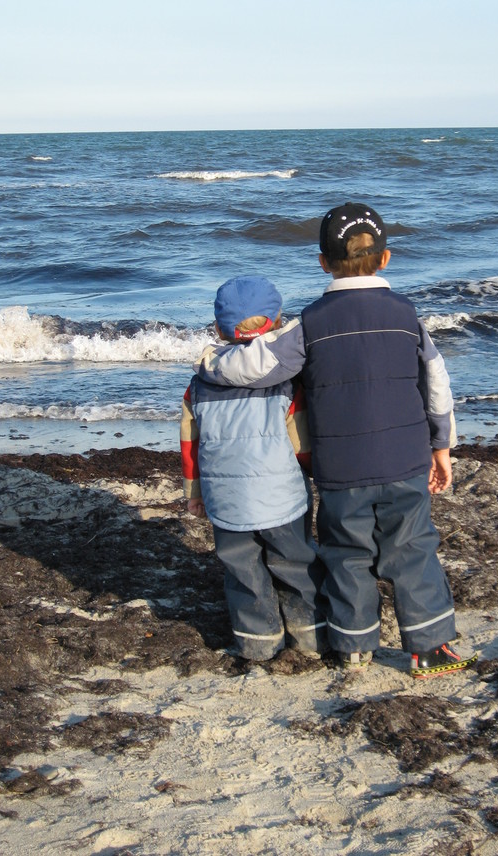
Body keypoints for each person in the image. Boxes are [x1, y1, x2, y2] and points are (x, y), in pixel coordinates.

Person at [196, 204, 477, 679]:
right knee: (411, 548)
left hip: (342, 468)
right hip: (405, 462)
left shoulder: (310, 324)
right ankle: (429, 647)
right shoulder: (406, 316)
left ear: (322, 262)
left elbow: (255, 366)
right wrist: (442, 447)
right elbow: (437, 385)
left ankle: (353, 646)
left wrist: (210, 364)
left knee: (346, 552)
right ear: (385, 259)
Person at [181, 275, 327, 662]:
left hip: (226, 501)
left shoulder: (199, 384)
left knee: (242, 570)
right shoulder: (285, 382)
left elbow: (190, 445)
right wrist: (316, 474)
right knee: (296, 563)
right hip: (282, 498)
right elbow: (301, 443)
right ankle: (310, 635)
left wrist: (194, 493)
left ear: (217, 329)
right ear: (277, 322)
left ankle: (257, 643)